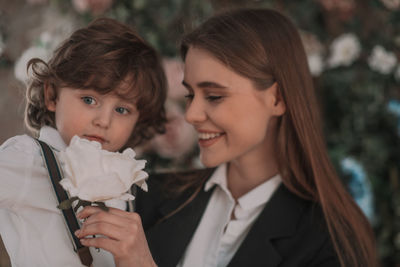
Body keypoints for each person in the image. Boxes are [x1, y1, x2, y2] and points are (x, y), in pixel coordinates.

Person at [75, 8, 379, 267]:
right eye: (191, 94)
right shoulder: (150, 198)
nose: (192, 114)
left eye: (214, 95)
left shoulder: (331, 241)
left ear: (277, 98)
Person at [0, 17, 166, 266]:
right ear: (52, 96)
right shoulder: (27, 158)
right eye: (89, 100)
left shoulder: (121, 179)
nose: (104, 121)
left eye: (122, 110)